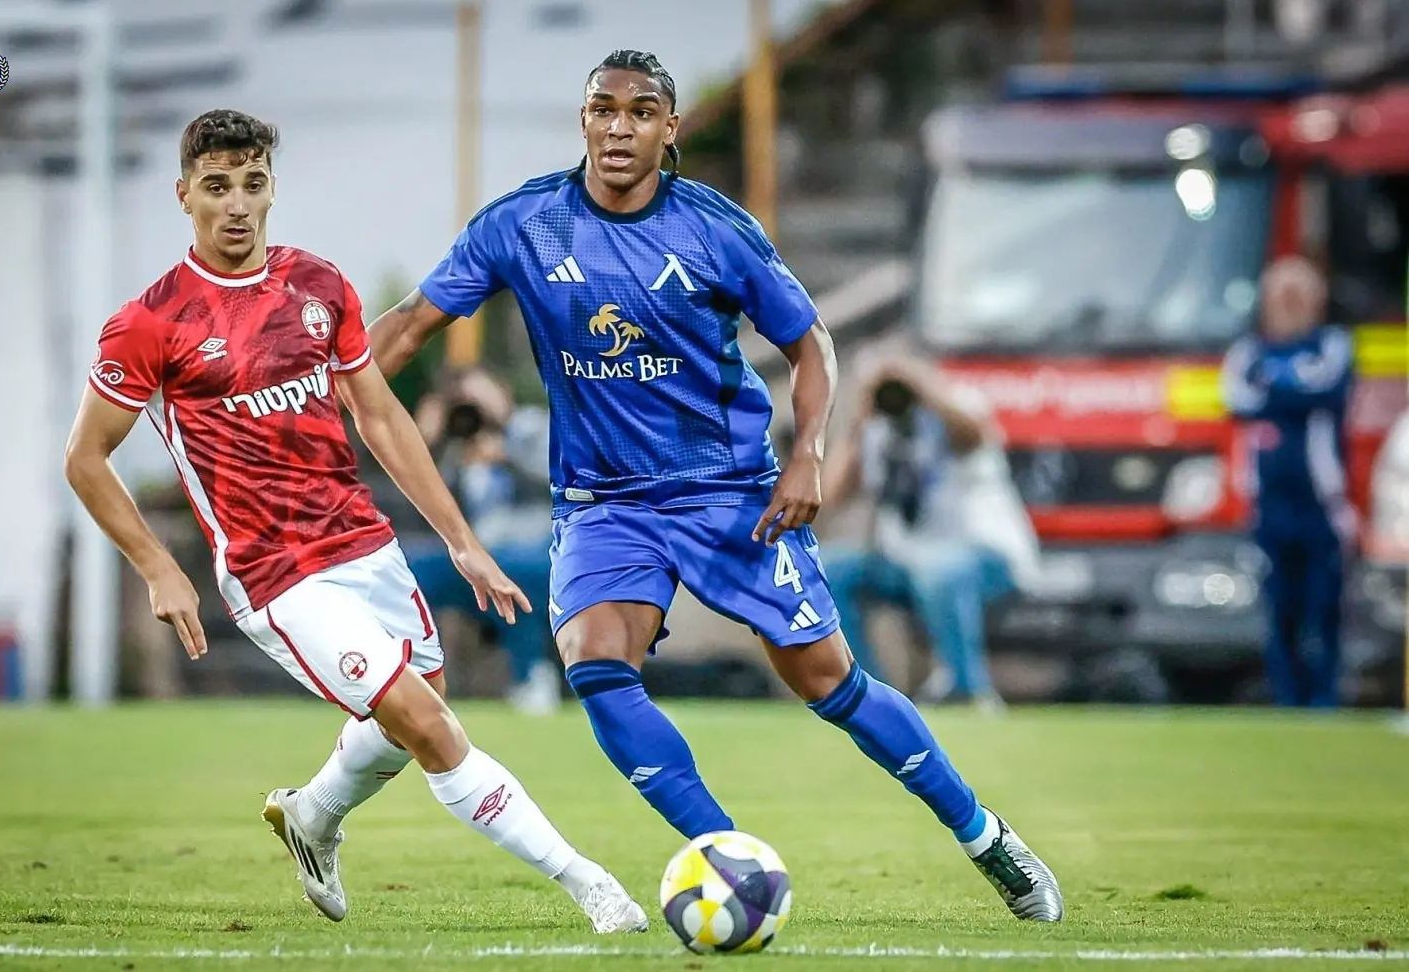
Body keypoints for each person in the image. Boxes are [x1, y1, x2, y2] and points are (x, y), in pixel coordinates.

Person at [368, 51, 1062, 922]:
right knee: (595, 663)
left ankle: (984, 835)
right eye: (603, 109)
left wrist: (809, 453)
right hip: (604, 502)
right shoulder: (524, 224)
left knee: (829, 682)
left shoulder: (715, 228)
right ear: (583, 121)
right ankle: (730, 859)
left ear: (670, 129)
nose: (619, 126)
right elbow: (406, 327)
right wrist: (323, 384)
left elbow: (811, 343)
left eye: (640, 111)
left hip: (729, 493)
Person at [62, 109, 646, 933]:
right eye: (218, 187)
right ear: (184, 194)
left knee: (417, 709)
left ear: (272, 188)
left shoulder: (318, 285)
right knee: (430, 725)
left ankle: (313, 814)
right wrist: (159, 565)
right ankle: (591, 884)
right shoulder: (151, 322)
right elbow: (86, 457)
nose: (237, 204)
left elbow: (381, 417)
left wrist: (462, 541)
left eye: (253, 183)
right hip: (275, 572)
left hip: (363, 543)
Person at [819, 349, 1041, 712]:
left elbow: (973, 435)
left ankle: (967, 691)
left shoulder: (958, 402)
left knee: (937, 568)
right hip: (904, 561)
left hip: (983, 551)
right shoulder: (874, 426)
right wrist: (860, 419)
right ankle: (867, 696)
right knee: (825, 570)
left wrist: (920, 388)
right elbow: (828, 495)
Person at [1223, 256, 1356, 707]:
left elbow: (1326, 391)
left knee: (1324, 603)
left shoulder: (1331, 344)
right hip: (1269, 501)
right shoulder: (1248, 352)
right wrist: (1289, 389)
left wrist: (1275, 388)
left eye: (1298, 297)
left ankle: (1325, 697)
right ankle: (1286, 697)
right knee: (1279, 604)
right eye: (1282, 297)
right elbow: (1238, 401)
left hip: (1321, 500)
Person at [402, 367, 563, 713]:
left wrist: (508, 457)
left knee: (513, 575)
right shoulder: (457, 446)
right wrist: (424, 445)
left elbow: (563, 482)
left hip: (539, 551)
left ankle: (531, 675)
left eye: (482, 394)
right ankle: (401, 676)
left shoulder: (532, 427)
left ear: (502, 392)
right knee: (407, 569)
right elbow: (426, 513)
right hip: (476, 560)